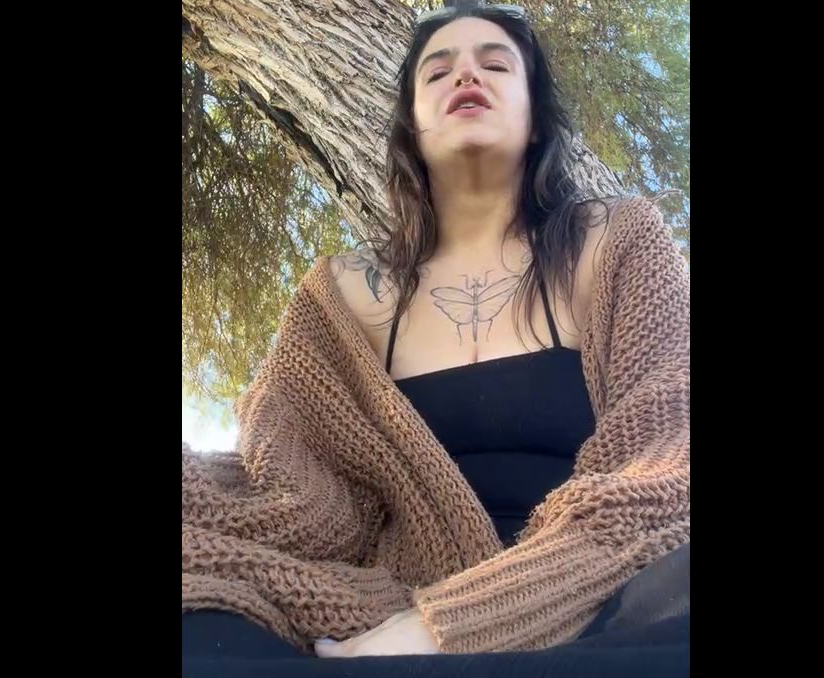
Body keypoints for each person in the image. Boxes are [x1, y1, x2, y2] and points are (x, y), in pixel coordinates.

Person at [182, 3, 689, 676]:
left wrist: (459, 622)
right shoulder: (343, 293)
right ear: (411, 127)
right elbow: (286, 480)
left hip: (606, 598)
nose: (466, 76)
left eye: (495, 64)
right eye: (439, 70)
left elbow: (669, 459)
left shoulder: (616, 241)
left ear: (537, 117)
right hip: (387, 608)